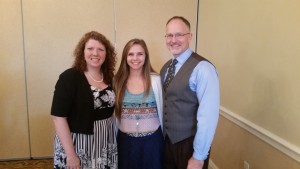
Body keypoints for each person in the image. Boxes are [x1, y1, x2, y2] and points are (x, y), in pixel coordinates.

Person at [51, 31, 118, 169]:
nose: (95, 53)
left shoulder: (109, 77)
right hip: (78, 144)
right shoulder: (69, 77)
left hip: (105, 141)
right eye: (90, 48)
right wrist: (71, 154)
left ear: (107, 54)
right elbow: (58, 117)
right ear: (82, 51)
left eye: (101, 49)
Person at [160, 16, 220, 169]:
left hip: (190, 144)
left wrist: (199, 156)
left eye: (179, 34)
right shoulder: (166, 68)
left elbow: (208, 116)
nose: (173, 40)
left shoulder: (203, 68)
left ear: (189, 37)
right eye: (170, 35)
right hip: (167, 142)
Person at [114, 39, 164, 169]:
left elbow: (164, 110)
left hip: (152, 142)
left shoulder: (156, 80)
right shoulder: (117, 82)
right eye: (130, 54)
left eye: (140, 54)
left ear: (146, 56)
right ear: (125, 57)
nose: (135, 58)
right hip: (125, 142)